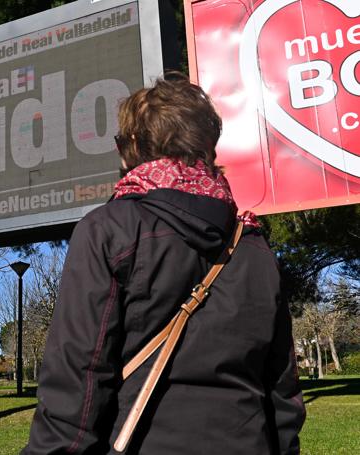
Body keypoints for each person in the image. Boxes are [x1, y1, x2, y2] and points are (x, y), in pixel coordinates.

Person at [22, 75, 305, 454]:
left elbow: (77, 379)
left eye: (120, 142)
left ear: (133, 147)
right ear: (207, 148)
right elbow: (281, 388)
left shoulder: (109, 231)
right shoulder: (255, 246)